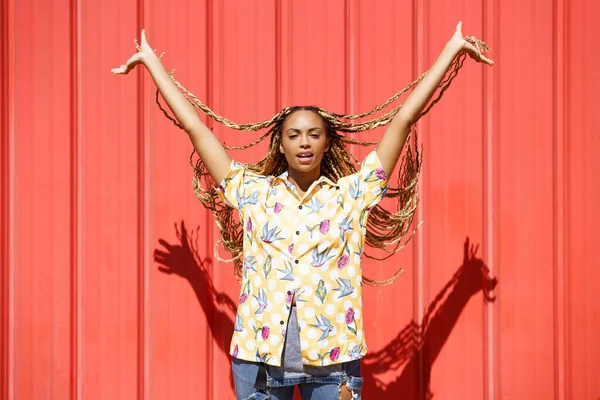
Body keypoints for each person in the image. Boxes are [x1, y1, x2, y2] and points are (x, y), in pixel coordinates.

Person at [112, 21, 493, 400]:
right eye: (294, 135)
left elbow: (404, 120)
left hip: (333, 362)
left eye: (313, 134)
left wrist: (451, 51)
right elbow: (195, 128)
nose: (304, 142)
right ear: (280, 144)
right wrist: (152, 63)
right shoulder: (252, 192)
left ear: (327, 142)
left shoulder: (351, 195)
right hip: (259, 362)